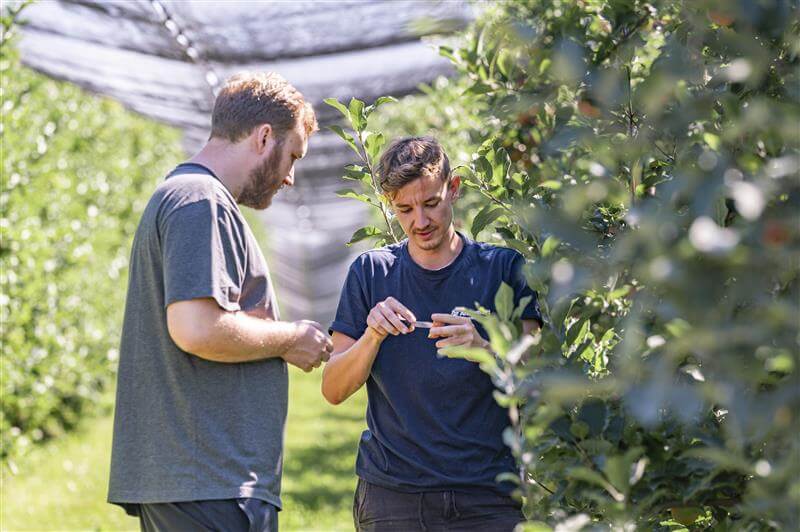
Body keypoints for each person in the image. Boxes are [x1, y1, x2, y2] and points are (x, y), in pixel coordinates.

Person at [107, 72, 333, 532]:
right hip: (207, 483)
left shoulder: (196, 198)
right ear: (264, 136)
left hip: (203, 481)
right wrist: (290, 339)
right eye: (292, 156)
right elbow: (196, 327)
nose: (290, 177)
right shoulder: (199, 200)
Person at [322, 136, 542, 531]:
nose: (419, 222)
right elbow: (334, 389)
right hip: (394, 496)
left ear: (453, 189)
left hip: (487, 494)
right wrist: (372, 336)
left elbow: (537, 376)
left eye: (430, 203)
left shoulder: (503, 270)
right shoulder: (372, 273)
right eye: (404, 209)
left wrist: (483, 346)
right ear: (390, 204)